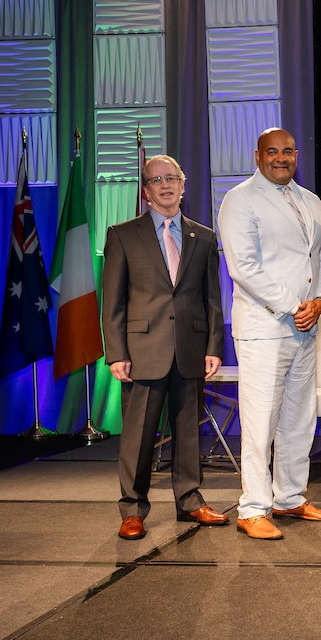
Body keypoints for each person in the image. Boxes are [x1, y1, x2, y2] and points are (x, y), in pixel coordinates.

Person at [218, 127, 321, 540]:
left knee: (299, 420)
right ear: (258, 155)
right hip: (265, 328)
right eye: (273, 152)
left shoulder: (311, 201)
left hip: (306, 327)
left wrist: (320, 302)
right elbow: (244, 268)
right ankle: (252, 507)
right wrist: (294, 306)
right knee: (261, 421)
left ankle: (289, 498)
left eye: (288, 151)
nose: (282, 158)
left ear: (297, 155)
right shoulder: (240, 200)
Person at [102, 154, 228, 540]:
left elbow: (212, 298)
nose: (165, 184)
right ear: (146, 191)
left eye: (171, 177)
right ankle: (132, 509)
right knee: (139, 435)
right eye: (156, 180)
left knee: (188, 430)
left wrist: (213, 345)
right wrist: (116, 353)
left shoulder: (203, 236)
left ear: (183, 184)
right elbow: (112, 300)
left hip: (190, 350)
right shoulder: (123, 234)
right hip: (141, 352)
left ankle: (189, 501)